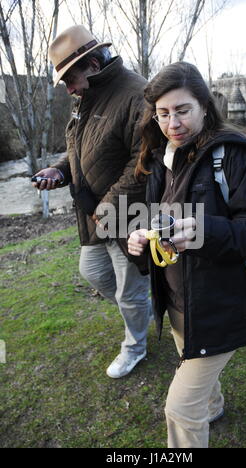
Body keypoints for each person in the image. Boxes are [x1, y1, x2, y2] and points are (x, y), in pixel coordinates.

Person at [128, 61, 246, 448]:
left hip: (221, 305)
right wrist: (141, 243)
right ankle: (212, 406)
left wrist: (204, 230)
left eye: (182, 110)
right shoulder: (160, 160)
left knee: (180, 410)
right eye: (163, 114)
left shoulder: (234, 157)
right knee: (193, 368)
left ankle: (199, 412)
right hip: (180, 302)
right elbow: (158, 223)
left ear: (204, 106)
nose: (172, 123)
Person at [32, 25, 152, 379]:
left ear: (94, 64)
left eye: (70, 78)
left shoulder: (136, 94)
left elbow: (143, 163)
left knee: (130, 293)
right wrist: (59, 171)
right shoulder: (86, 100)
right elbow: (79, 153)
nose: (68, 88)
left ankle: (136, 347)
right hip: (93, 215)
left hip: (127, 215)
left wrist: (108, 209)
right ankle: (144, 310)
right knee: (94, 271)